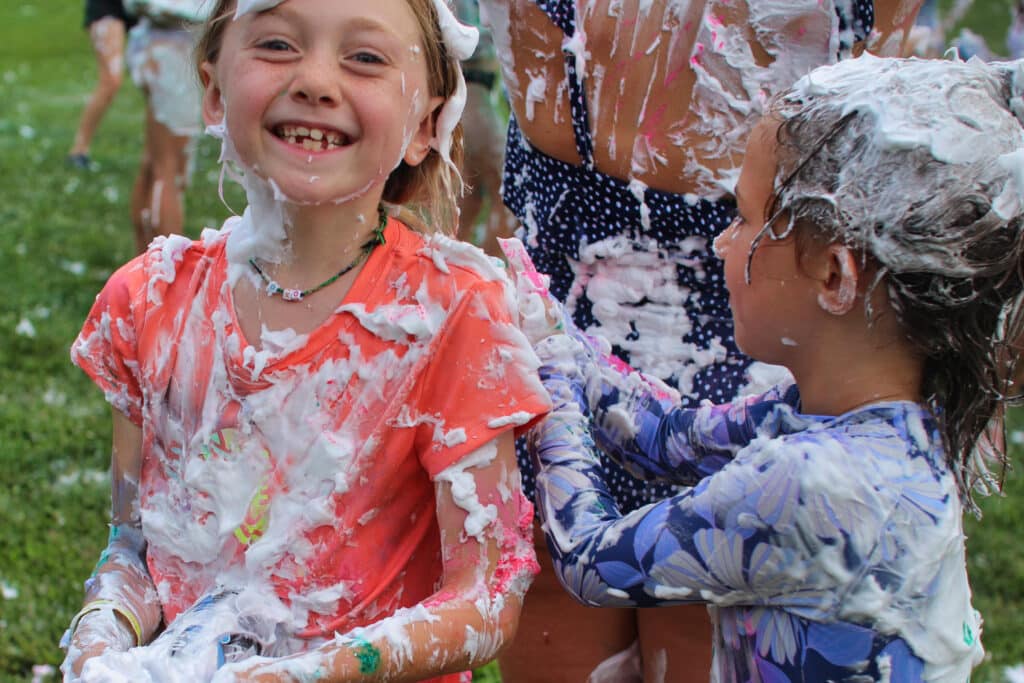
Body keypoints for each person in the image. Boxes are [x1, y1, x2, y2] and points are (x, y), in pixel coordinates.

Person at [58, 0, 551, 681]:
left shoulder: (455, 313)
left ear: (428, 123)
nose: (317, 80)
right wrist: (100, 635)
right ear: (211, 88)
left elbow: (489, 597)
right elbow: (132, 549)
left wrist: (310, 671)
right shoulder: (146, 300)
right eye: (278, 45)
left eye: (366, 57)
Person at [511, 54, 1024, 681]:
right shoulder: (852, 419)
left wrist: (555, 387)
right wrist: (555, 332)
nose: (723, 242)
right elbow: (670, 437)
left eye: (745, 219)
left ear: (833, 276)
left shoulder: (823, 484)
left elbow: (590, 561)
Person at [122, 0, 210, 254]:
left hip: (154, 47)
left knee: (154, 162)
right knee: (170, 171)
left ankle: (143, 258)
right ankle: (164, 268)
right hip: (173, 53)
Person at [68, 0, 136, 170]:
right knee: (111, 80)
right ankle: (79, 150)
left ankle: (160, 153)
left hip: (150, 8)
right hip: (108, 7)